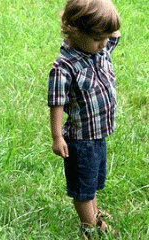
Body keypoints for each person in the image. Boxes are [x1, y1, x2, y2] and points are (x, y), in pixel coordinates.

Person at [47, 0, 121, 238]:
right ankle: (89, 228)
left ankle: (94, 212)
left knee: (92, 183)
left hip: (99, 136)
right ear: (75, 31)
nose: (105, 44)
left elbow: (113, 32)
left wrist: (105, 13)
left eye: (107, 37)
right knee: (82, 191)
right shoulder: (64, 67)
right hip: (81, 141)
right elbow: (56, 103)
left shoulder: (99, 49)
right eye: (99, 38)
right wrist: (57, 136)